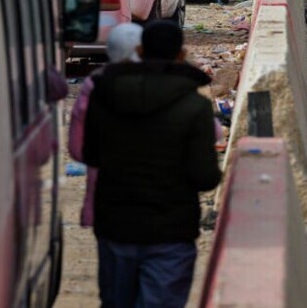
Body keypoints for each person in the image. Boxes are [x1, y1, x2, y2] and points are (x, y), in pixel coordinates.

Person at [83, 20, 222, 308]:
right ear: (181, 55)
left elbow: (91, 155)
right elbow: (205, 177)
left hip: (115, 226)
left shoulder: (104, 93)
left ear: (141, 50)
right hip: (171, 232)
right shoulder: (195, 106)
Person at [69, 23, 143, 228]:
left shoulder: (94, 85)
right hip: (159, 209)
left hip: (106, 203)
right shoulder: (166, 83)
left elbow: (77, 148)